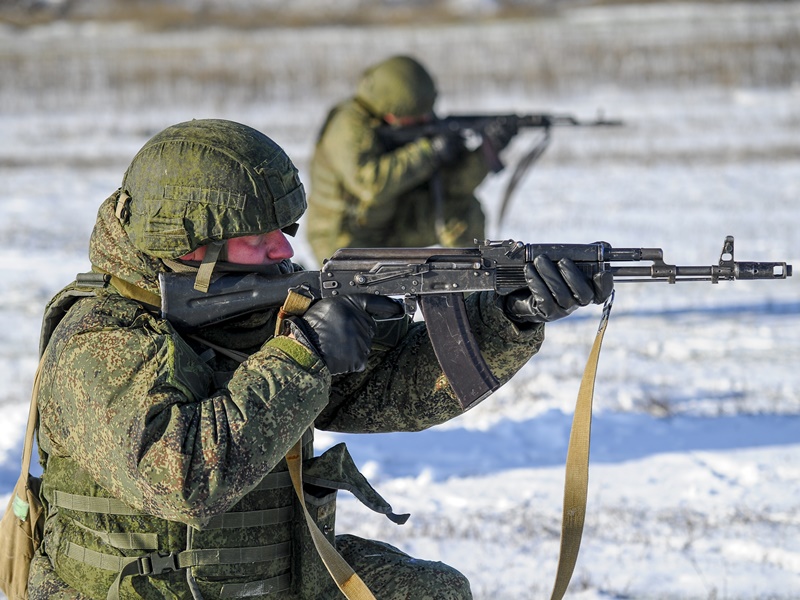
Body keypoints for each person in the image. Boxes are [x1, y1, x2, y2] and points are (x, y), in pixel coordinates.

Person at [29, 118, 612, 600]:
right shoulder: (98, 340)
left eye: (286, 229)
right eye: (259, 237)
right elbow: (182, 481)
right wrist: (304, 355)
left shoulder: (257, 300)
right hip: (141, 587)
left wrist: (507, 315)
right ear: (190, 247)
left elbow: (389, 391)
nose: (284, 249)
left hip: (272, 566)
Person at [305, 55, 518, 264]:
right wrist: (427, 151)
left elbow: (454, 185)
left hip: (395, 223)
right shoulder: (348, 125)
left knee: (463, 211)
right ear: (391, 111)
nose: (425, 120)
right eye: (415, 117)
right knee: (361, 299)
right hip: (346, 238)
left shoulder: (417, 123)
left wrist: (485, 152)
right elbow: (370, 184)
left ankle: (472, 289)